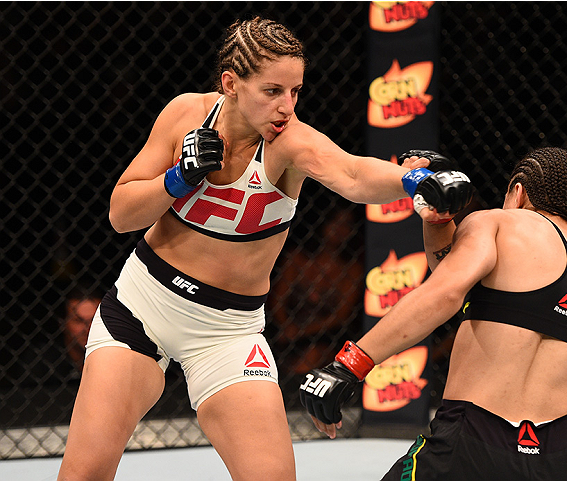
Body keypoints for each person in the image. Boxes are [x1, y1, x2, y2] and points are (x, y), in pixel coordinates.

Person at [57, 16, 471, 481]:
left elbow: (352, 175)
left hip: (226, 333)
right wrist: (178, 178)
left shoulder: (290, 143)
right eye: (272, 91)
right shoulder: (184, 114)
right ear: (231, 84)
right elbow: (120, 214)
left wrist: (414, 179)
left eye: (295, 91)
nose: (287, 107)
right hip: (142, 307)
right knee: (83, 475)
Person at [300, 147, 567, 480]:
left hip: (476, 442)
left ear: (518, 191)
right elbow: (468, 276)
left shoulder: (497, 222)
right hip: (565, 454)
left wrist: (350, 365)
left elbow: (445, 291)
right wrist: (439, 219)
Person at [269, 206, 364, 375]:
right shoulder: (297, 258)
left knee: (312, 356)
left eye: (346, 225)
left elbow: (342, 316)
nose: (339, 229)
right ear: (324, 223)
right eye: (336, 222)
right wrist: (286, 326)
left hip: (325, 333)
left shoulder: (351, 270)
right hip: (284, 327)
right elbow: (277, 299)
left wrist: (303, 332)